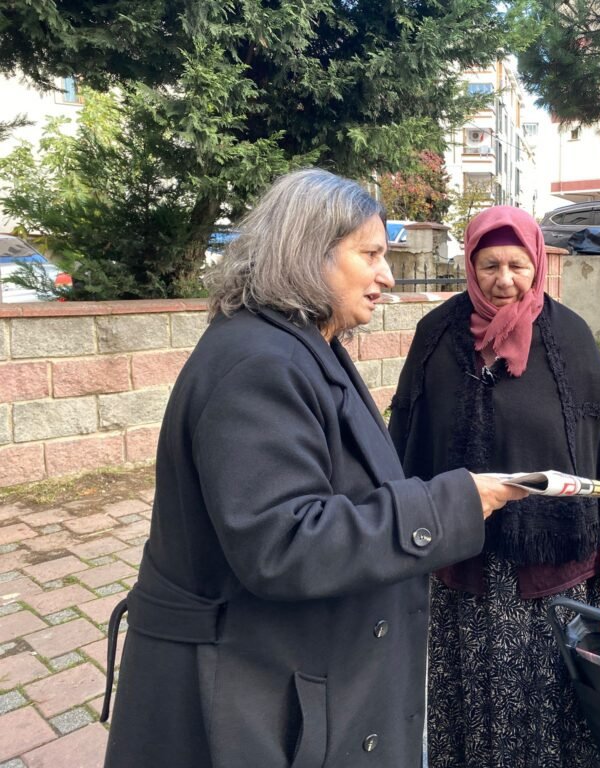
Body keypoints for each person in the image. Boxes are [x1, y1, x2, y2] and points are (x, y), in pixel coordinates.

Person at [100, 169, 526, 768]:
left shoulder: (303, 345)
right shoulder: (260, 363)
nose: (387, 275)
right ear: (308, 252)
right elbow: (284, 542)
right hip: (241, 698)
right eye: (370, 255)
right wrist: (453, 505)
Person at [389, 205, 600, 768]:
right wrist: (403, 528)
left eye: (517, 266)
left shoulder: (569, 336)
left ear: (536, 264)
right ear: (470, 265)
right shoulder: (436, 335)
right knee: (471, 701)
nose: (504, 280)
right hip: (465, 566)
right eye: (489, 266)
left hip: (552, 567)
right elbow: (407, 432)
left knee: (551, 705)